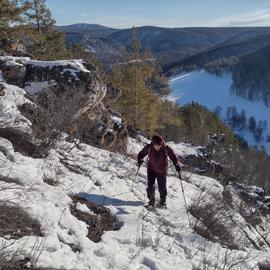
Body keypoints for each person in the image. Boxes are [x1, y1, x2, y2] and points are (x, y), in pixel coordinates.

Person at [137, 135, 181, 208]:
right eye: (156, 145)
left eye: (159, 145)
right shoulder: (149, 147)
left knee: (162, 188)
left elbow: (173, 157)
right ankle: (151, 203)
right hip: (151, 170)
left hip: (162, 171)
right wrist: (140, 159)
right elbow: (141, 154)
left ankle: (162, 203)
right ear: (153, 144)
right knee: (150, 187)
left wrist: (176, 165)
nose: (158, 146)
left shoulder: (166, 148)